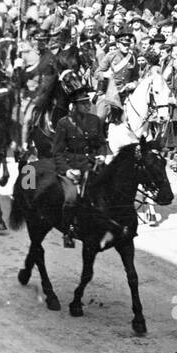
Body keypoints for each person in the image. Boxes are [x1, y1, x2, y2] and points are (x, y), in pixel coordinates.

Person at [52, 83, 108, 248]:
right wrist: (68, 171)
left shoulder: (95, 120)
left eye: (88, 102)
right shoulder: (64, 123)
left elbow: (101, 143)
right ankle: (68, 230)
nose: (87, 105)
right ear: (74, 106)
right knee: (71, 198)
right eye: (83, 103)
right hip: (71, 166)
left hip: (92, 164)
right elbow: (57, 152)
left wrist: (102, 156)